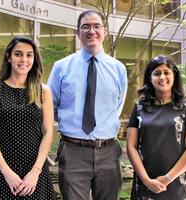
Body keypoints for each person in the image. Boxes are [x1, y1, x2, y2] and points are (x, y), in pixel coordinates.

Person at [47, 10, 128, 200]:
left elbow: (117, 107)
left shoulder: (118, 69)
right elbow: (51, 108)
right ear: (78, 33)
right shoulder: (61, 67)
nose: (92, 31)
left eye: (97, 26)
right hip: (73, 151)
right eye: (86, 26)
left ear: (105, 31)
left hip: (108, 151)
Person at [0, 36, 56, 199]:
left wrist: (35, 172)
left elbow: (48, 133)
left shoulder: (43, 91)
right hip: (2, 171)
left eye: (29, 55)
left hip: (35, 172)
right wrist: (7, 172)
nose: (24, 59)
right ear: (8, 57)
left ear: (34, 59)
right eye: (18, 54)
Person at [126, 55, 186, 200]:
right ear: (149, 78)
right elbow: (131, 147)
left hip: (177, 183)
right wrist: (147, 181)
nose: (162, 77)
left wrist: (167, 178)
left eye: (166, 72)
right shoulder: (139, 107)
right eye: (156, 73)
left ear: (174, 76)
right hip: (145, 181)